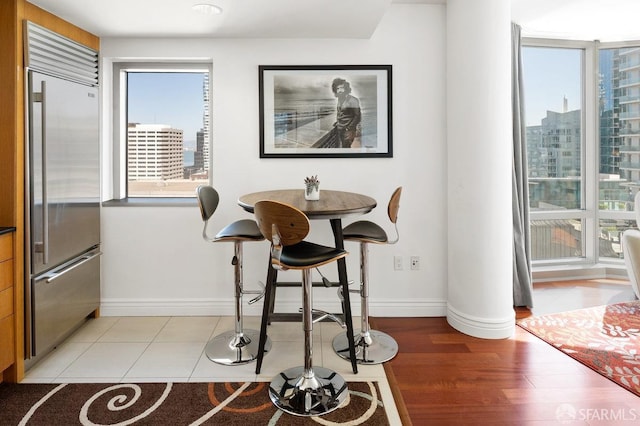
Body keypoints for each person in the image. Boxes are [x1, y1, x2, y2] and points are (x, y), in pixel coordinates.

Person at [331, 78, 361, 148]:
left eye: (341, 88)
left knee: (346, 149)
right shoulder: (340, 99)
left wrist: (349, 128)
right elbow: (341, 113)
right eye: (337, 89)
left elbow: (358, 116)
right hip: (340, 129)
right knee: (345, 148)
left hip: (348, 131)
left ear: (346, 88)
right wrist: (338, 122)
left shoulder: (353, 100)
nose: (339, 90)